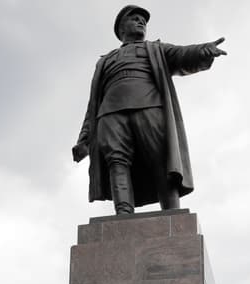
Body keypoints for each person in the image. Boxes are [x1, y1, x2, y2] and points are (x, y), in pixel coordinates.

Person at [73, 5, 226, 214]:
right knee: (117, 162)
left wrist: (203, 50)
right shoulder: (105, 61)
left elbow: (182, 55)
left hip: (149, 107)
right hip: (109, 114)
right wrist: (84, 139)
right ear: (121, 28)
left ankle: (172, 215)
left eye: (143, 20)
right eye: (134, 18)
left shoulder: (155, 49)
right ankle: (123, 214)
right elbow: (92, 105)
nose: (141, 22)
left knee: (162, 161)